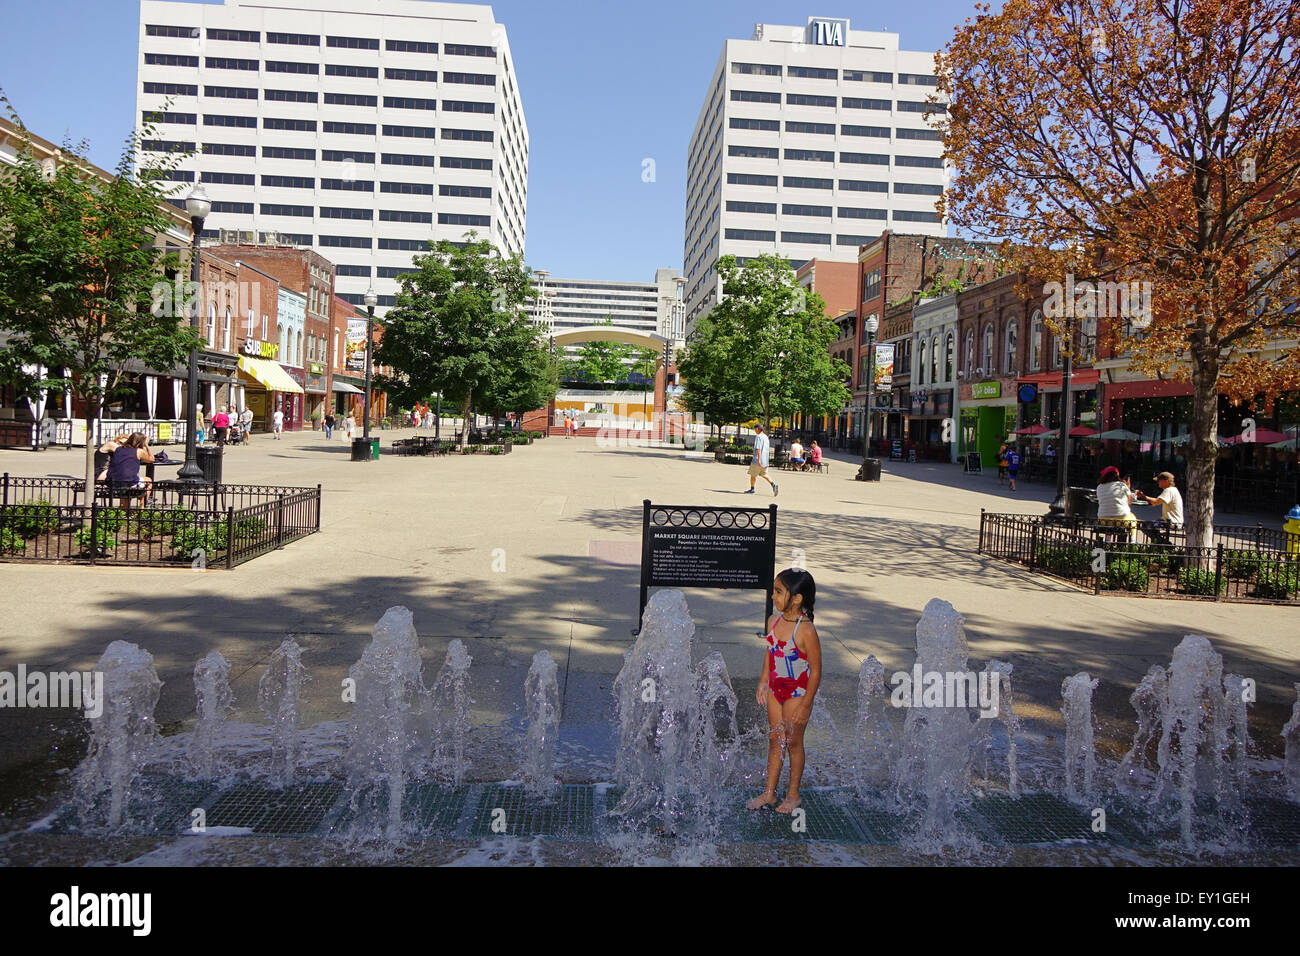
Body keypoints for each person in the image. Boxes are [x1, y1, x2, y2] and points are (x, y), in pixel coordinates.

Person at [747, 568, 822, 814]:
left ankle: (793, 795)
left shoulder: (806, 630)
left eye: (778, 592)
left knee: (793, 743)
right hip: (775, 691)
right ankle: (769, 793)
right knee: (775, 740)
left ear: (797, 598)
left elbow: (816, 671)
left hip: (796, 693)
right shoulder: (773, 621)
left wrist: (806, 704)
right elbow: (770, 653)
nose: (773, 596)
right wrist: (763, 681)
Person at [105, 432, 155, 508]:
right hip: (129, 483)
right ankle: (142, 506)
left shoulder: (118, 449)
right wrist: (147, 446)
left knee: (128, 482)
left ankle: (125, 510)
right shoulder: (139, 451)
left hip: (112, 481)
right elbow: (151, 459)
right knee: (148, 480)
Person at [1135, 471, 1185, 546]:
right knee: (1149, 526)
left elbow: (1156, 502)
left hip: (1172, 521)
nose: (1158, 483)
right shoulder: (1172, 490)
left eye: (1159, 481)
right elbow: (1155, 502)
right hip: (1170, 520)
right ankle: (1158, 544)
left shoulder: (1169, 490)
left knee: (1145, 526)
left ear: (1166, 481)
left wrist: (1143, 497)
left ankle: (1165, 545)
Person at [1096, 465, 1139, 541]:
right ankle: (1133, 540)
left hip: (1103, 520)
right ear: (1116, 475)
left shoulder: (1099, 487)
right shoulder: (1121, 485)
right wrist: (1128, 487)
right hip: (1121, 520)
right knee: (1133, 519)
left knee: (1109, 521)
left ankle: (1108, 541)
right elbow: (1130, 502)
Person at [746, 424, 778, 496]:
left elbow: (758, 448)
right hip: (765, 460)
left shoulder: (758, 437)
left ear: (757, 429)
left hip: (758, 460)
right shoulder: (766, 437)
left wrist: (759, 460)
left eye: (755, 429)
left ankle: (752, 489)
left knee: (753, 474)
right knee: (764, 474)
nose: (755, 431)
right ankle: (773, 485)